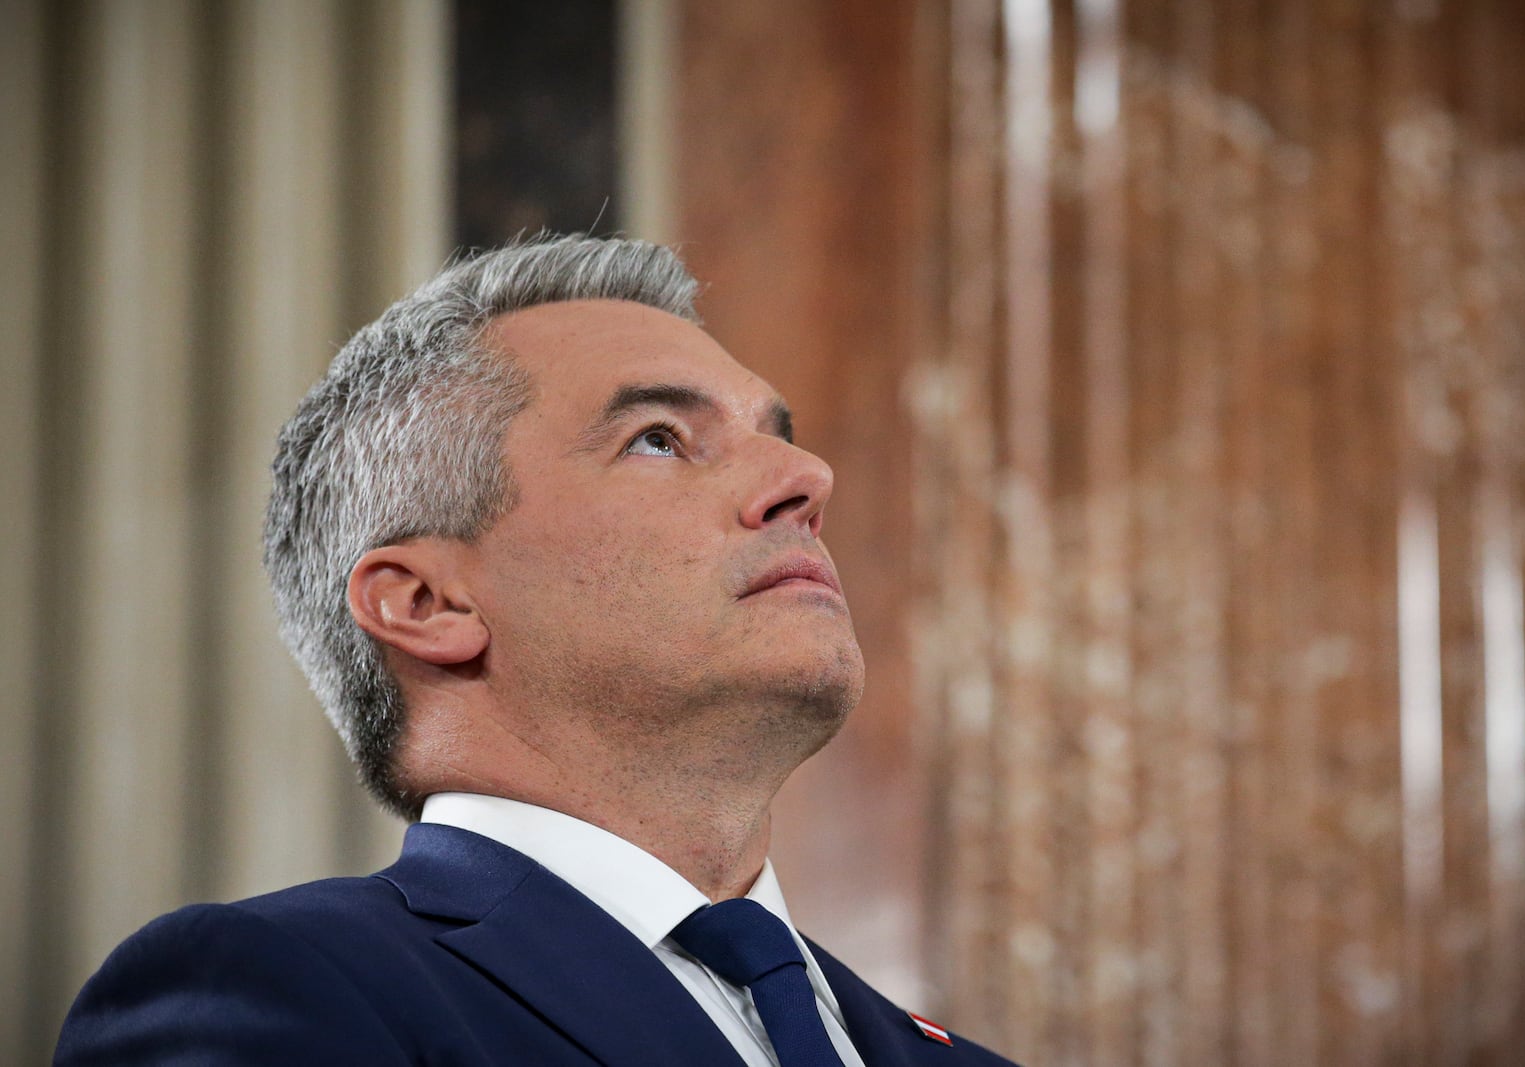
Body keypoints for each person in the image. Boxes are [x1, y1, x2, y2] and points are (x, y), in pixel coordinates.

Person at [55, 235, 1019, 1066]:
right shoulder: (279, 991)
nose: (807, 479)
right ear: (428, 602)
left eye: (779, 438)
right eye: (658, 438)